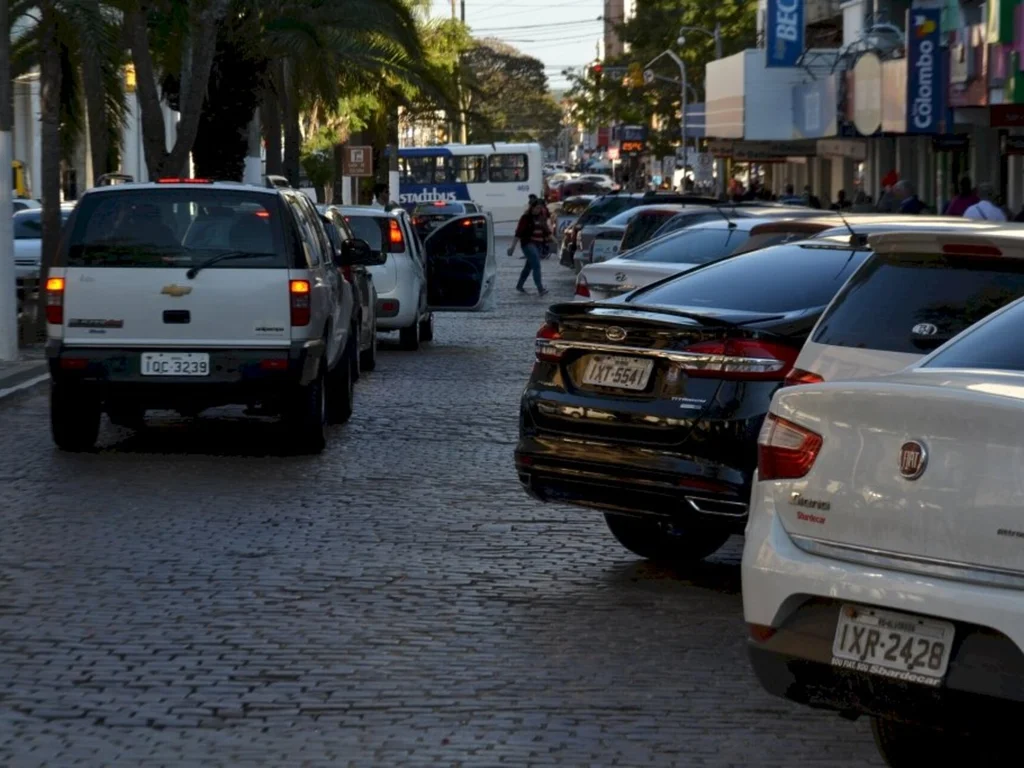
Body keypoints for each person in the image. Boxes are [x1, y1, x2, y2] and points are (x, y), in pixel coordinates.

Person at [511, 200, 551, 296]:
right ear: (532, 208)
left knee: (528, 267)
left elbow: (547, 232)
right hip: (528, 244)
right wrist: (512, 247)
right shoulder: (525, 218)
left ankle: (519, 286)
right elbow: (518, 232)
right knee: (536, 265)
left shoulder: (541, 218)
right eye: (537, 207)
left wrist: (556, 242)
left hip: (539, 245)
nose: (538, 210)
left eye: (540, 208)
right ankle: (540, 289)